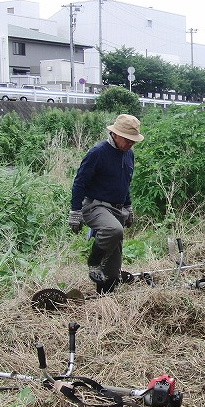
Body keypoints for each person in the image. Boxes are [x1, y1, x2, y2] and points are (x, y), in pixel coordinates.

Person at [68, 114, 144, 294]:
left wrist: (128, 206)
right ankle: (93, 262)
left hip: (116, 210)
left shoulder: (129, 154)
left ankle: (104, 297)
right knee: (114, 230)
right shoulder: (98, 153)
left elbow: (124, 183)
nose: (130, 144)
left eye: (133, 141)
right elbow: (79, 183)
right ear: (115, 134)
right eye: (127, 140)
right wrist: (75, 212)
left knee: (113, 269)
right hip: (95, 206)